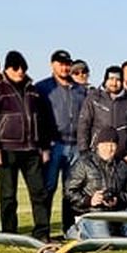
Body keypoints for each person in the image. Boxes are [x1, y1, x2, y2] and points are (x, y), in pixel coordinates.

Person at [0, 51, 57, 241]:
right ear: (7, 69)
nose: (20, 71)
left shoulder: (33, 90)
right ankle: (9, 233)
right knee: (8, 195)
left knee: (39, 193)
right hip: (6, 150)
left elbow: (44, 120)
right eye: (16, 68)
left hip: (32, 151)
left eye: (23, 68)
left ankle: (42, 231)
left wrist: (45, 147)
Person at [37, 49, 87, 227]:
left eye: (67, 64)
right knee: (48, 188)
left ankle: (69, 228)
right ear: (53, 65)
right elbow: (37, 119)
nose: (65, 68)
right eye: (61, 64)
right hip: (53, 145)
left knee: (71, 190)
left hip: (76, 146)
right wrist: (43, 145)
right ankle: (44, 229)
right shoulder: (43, 88)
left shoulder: (80, 90)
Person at [65, 127, 127, 238]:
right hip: (92, 213)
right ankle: (77, 230)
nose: (109, 149)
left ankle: (118, 232)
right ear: (98, 145)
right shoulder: (84, 163)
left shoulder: (122, 166)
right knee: (105, 241)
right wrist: (90, 200)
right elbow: (69, 192)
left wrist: (118, 199)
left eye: (113, 145)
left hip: (116, 213)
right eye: (105, 145)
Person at [76, 66, 127, 163]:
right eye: (111, 79)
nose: (114, 83)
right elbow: (83, 125)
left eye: (118, 80)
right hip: (96, 154)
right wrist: (84, 151)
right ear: (105, 80)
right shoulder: (94, 99)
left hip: (121, 157)